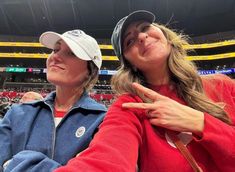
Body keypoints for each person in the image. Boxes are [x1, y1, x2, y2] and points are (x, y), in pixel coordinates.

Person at [55, 10, 235, 172]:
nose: (141, 36)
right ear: (129, 63)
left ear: (166, 37)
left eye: (145, 27)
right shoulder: (130, 106)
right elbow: (105, 159)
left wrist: (201, 122)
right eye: (129, 41)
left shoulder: (223, 85)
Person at [0, 29, 106, 172]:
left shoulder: (103, 121)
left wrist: (19, 162)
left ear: (90, 70)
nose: (55, 57)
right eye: (55, 50)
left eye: (71, 53)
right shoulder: (17, 113)